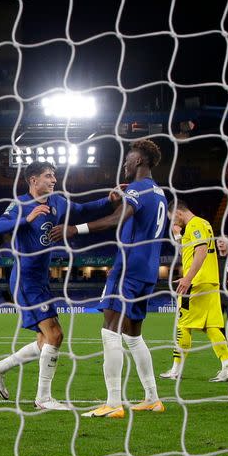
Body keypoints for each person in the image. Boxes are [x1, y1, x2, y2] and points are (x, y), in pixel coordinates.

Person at [0, 160, 118, 411]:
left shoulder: (57, 202)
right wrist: (27, 218)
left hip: (40, 279)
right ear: (33, 180)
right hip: (25, 279)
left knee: (44, 340)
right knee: (55, 335)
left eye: (54, 176)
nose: (54, 180)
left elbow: (83, 209)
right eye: (48, 176)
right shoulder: (21, 204)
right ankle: (43, 399)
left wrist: (109, 200)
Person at [51, 139, 168, 418]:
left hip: (127, 267)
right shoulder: (159, 192)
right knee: (133, 335)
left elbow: (117, 219)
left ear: (139, 161)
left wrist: (74, 230)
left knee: (109, 330)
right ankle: (153, 398)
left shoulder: (139, 189)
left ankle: (113, 403)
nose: (125, 163)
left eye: (129, 158)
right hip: (148, 270)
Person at [158, 200, 228, 383]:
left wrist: (187, 279)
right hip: (209, 282)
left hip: (197, 284)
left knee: (183, 324)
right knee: (212, 327)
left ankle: (176, 370)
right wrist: (178, 237)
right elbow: (188, 253)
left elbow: (201, 251)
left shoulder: (195, 224)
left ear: (178, 213)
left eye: (173, 220)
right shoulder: (203, 225)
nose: (173, 224)